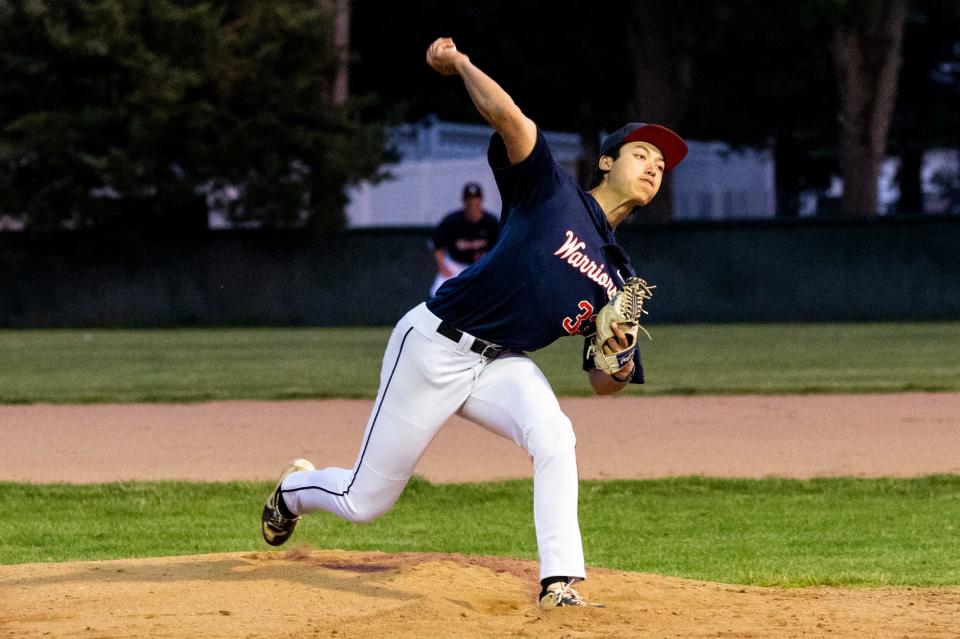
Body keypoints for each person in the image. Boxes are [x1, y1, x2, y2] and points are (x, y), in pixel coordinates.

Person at [261, 37, 688, 609]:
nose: (654, 166)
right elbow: (509, 117)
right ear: (607, 161)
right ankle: (292, 491)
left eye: (661, 165)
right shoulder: (550, 190)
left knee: (556, 435)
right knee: (365, 502)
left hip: (501, 363)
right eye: (643, 154)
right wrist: (459, 63)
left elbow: (602, 384)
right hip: (434, 344)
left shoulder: (620, 279)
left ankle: (559, 583)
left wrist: (620, 356)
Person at [429, 182, 500, 297]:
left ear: (481, 200)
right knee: (437, 292)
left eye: (476, 199)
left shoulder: (491, 221)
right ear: (464, 201)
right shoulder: (453, 220)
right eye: (469, 199)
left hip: (481, 265)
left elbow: (500, 248)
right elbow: (437, 244)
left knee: (496, 291)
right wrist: (442, 267)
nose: (472, 203)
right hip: (456, 264)